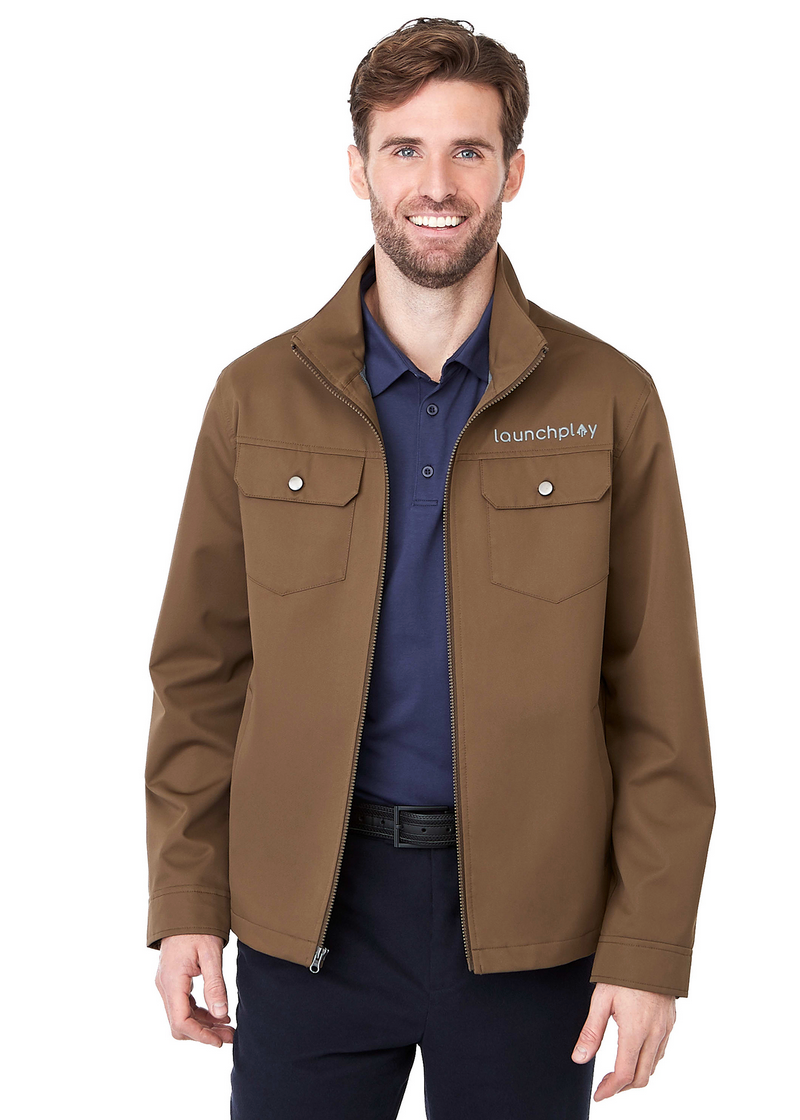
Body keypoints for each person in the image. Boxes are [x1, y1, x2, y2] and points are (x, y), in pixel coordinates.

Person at [145, 17, 716, 1118]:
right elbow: (200, 675)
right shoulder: (255, 396)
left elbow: (658, 706)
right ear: (358, 168)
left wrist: (648, 945)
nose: (437, 185)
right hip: (309, 922)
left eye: (468, 150)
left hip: (532, 931)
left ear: (513, 171)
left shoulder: (609, 398)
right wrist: (185, 900)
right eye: (404, 149)